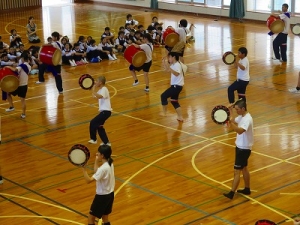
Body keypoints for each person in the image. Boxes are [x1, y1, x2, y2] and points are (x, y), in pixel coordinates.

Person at [223, 99, 253, 200]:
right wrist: (230, 110)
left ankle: (231, 193)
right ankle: (247, 189)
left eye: (237, 109)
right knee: (244, 168)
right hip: (241, 147)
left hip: (243, 149)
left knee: (237, 171)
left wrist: (230, 124)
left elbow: (240, 131)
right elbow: (232, 120)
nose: (237, 111)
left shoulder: (247, 119)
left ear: (243, 108)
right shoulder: (242, 116)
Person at [82, 145, 115, 225]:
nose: (97, 154)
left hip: (102, 197)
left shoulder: (103, 169)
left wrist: (83, 169)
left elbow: (88, 180)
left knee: (91, 218)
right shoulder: (110, 163)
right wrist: (96, 160)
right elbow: (97, 171)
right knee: (105, 217)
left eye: (98, 153)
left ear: (102, 155)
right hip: (110, 195)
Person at [161, 52, 187, 122]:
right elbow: (167, 70)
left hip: (176, 86)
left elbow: (176, 73)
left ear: (173, 57)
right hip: (177, 86)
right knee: (174, 101)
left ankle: (164, 113)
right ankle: (180, 117)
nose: (168, 59)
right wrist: (164, 62)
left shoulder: (177, 65)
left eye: (169, 57)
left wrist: (170, 68)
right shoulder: (174, 65)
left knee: (163, 96)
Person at [5, 51, 31, 118]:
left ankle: (11, 106)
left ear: (22, 58)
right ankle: (23, 114)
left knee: (8, 92)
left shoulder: (22, 66)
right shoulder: (29, 66)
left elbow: (15, 70)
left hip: (18, 85)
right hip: (25, 85)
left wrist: (8, 67)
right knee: (22, 100)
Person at [88, 76, 112, 145]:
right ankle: (106, 142)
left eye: (96, 81)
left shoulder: (104, 89)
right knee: (99, 126)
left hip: (106, 111)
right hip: (104, 112)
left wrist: (93, 91)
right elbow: (95, 97)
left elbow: (100, 96)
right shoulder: (100, 90)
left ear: (100, 82)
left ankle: (94, 139)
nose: (95, 82)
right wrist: (92, 89)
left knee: (93, 122)